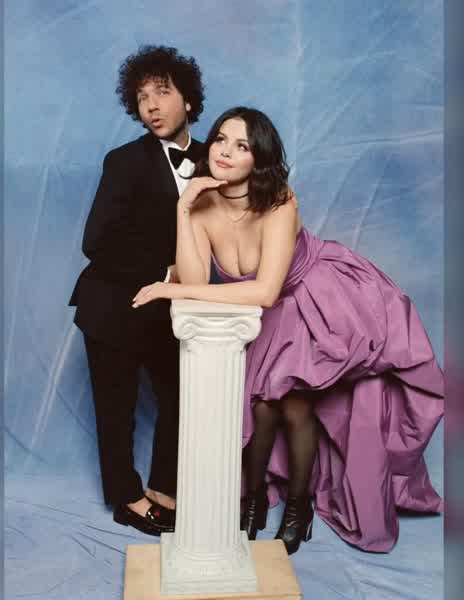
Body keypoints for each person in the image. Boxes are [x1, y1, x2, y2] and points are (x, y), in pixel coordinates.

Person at [131, 106, 444, 554]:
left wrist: (169, 288)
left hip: (316, 298)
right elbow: (197, 283)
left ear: (258, 159)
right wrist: (183, 211)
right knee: (260, 408)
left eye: (242, 145)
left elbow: (265, 291)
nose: (225, 151)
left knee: (294, 405)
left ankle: (299, 507)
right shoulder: (200, 206)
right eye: (220, 139)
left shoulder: (279, 200)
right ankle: (253, 500)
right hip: (265, 310)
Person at [69, 45, 205, 536]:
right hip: (111, 305)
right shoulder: (123, 161)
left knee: (182, 397)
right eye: (142, 97)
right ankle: (127, 497)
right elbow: (95, 242)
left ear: (187, 99)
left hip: (169, 311)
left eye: (161, 93)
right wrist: (166, 272)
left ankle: (164, 489)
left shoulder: (214, 159)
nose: (151, 106)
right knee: (116, 410)